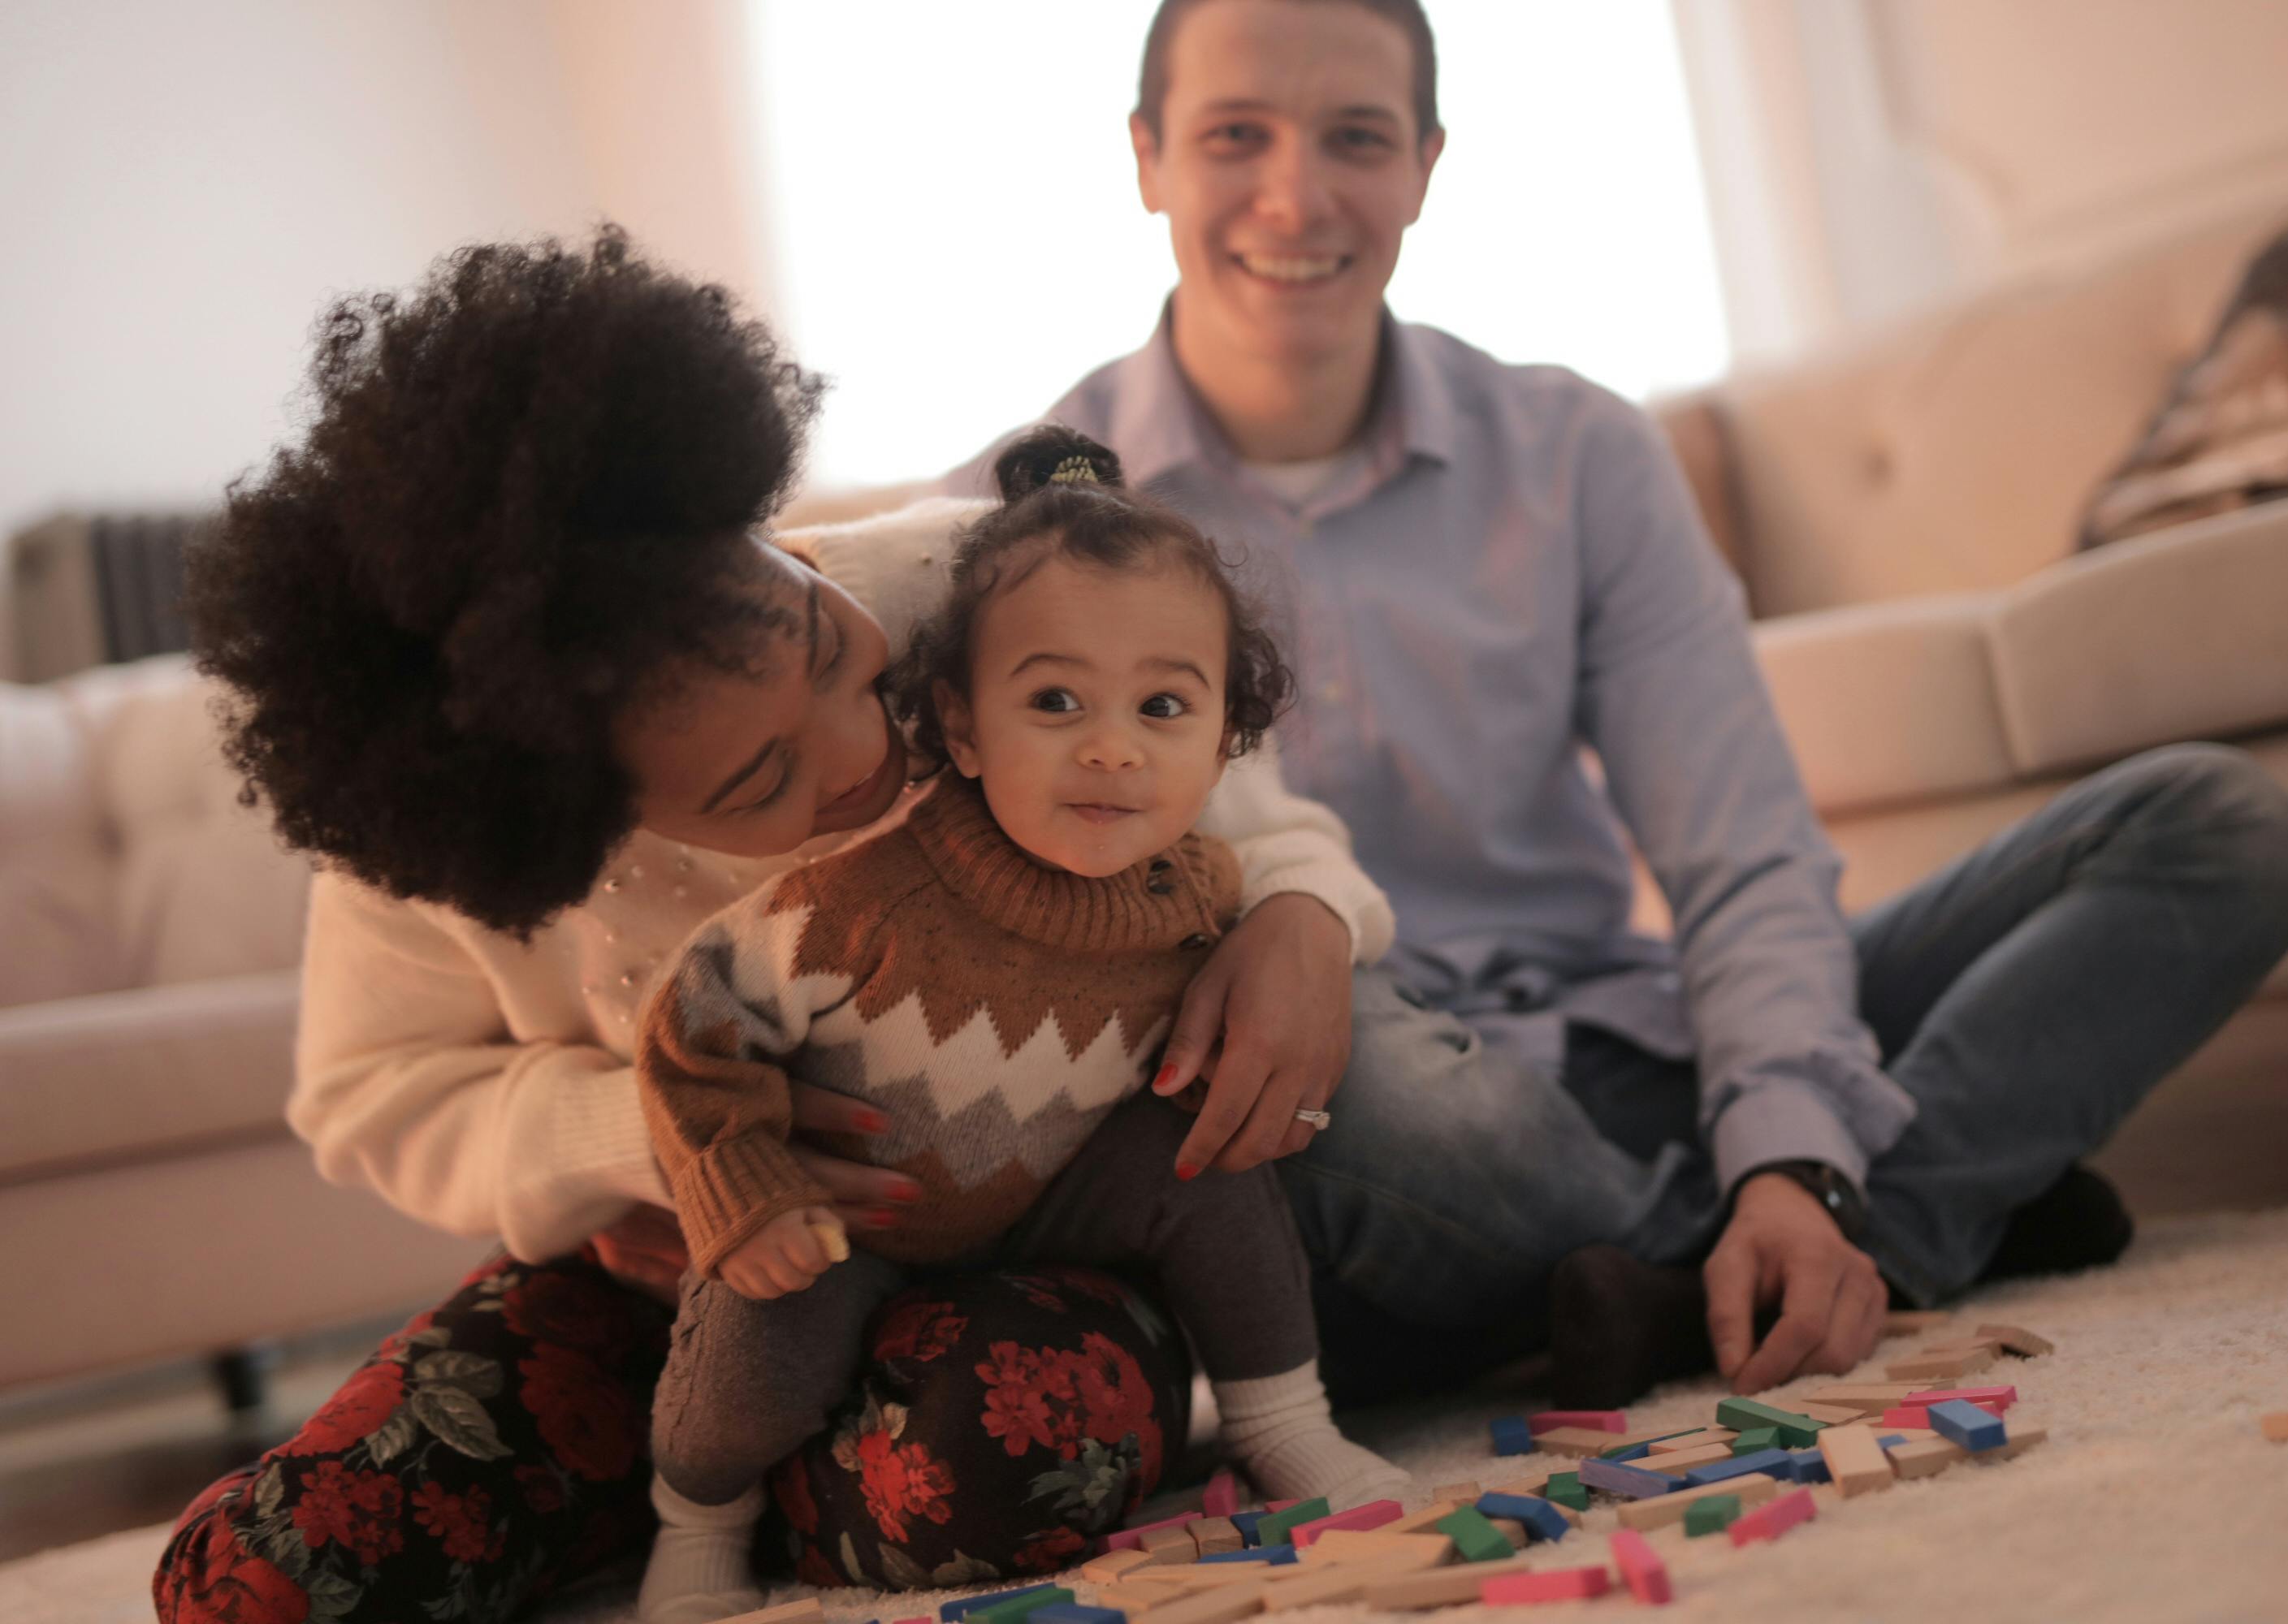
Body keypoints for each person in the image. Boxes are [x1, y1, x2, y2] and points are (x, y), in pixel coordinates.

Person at [951, 0, 2288, 1406]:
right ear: (1148, 158)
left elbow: (1741, 854)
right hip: (1377, 1099)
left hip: (1636, 1041)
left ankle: (1800, 1247)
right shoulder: (1017, 518)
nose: (1296, 195)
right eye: (1235, 135)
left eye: (1355, 137)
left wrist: (1790, 1152)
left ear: (1424, 165)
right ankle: (1889, 1217)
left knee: (2220, 825)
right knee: (1367, 1101)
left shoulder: (1577, 451)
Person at [158, 229, 1389, 1622]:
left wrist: (1304, 919)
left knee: (992, 1470)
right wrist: (665, 1141)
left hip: (1026, 1244)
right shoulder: (449, 838)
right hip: (670, 1281)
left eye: (821, 640)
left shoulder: (974, 584)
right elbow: (366, 1095)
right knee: (264, 1581)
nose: (863, 746)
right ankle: (701, 1460)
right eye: (758, 781)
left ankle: (734, 1482)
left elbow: (1258, 820)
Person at [635, 426, 1408, 1624]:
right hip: (862, 1208)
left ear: (1220, 747)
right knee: (756, 1339)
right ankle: (698, 1521)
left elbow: (1289, 884)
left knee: (1208, 1165)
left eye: (1164, 708)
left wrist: (1305, 914)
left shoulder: (1197, 889)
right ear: (958, 725)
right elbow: (693, 1015)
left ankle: (1283, 1427)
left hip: (1055, 1199)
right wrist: (740, 1179)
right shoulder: (864, 905)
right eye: (1053, 701)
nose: (1111, 746)